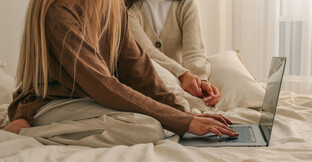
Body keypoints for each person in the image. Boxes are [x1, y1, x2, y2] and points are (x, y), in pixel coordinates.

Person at [3, 0, 237, 147]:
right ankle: (27, 129)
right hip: (50, 104)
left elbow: (140, 72)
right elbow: (104, 86)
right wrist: (181, 122)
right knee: (149, 128)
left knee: (159, 124)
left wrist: (183, 115)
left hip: (85, 102)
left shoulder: (114, 7)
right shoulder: (58, 11)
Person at [126, 0, 220, 107]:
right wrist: (183, 74)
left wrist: (200, 80)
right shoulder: (128, 10)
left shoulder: (186, 5)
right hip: (149, 79)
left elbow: (194, 52)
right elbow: (147, 52)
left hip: (181, 81)